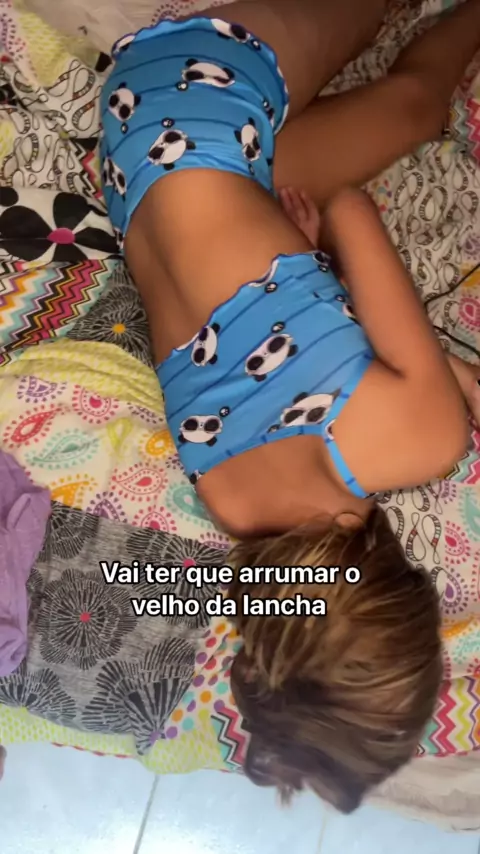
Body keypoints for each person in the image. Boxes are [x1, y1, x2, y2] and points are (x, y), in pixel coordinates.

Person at [99, 0, 480, 812]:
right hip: (133, 161)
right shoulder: (229, 503)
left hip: (204, 97)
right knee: (364, 106)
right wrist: (298, 267)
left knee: (410, 94)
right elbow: (249, 356)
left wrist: (432, 369)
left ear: (410, 600)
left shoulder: (422, 437)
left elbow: (348, 207)